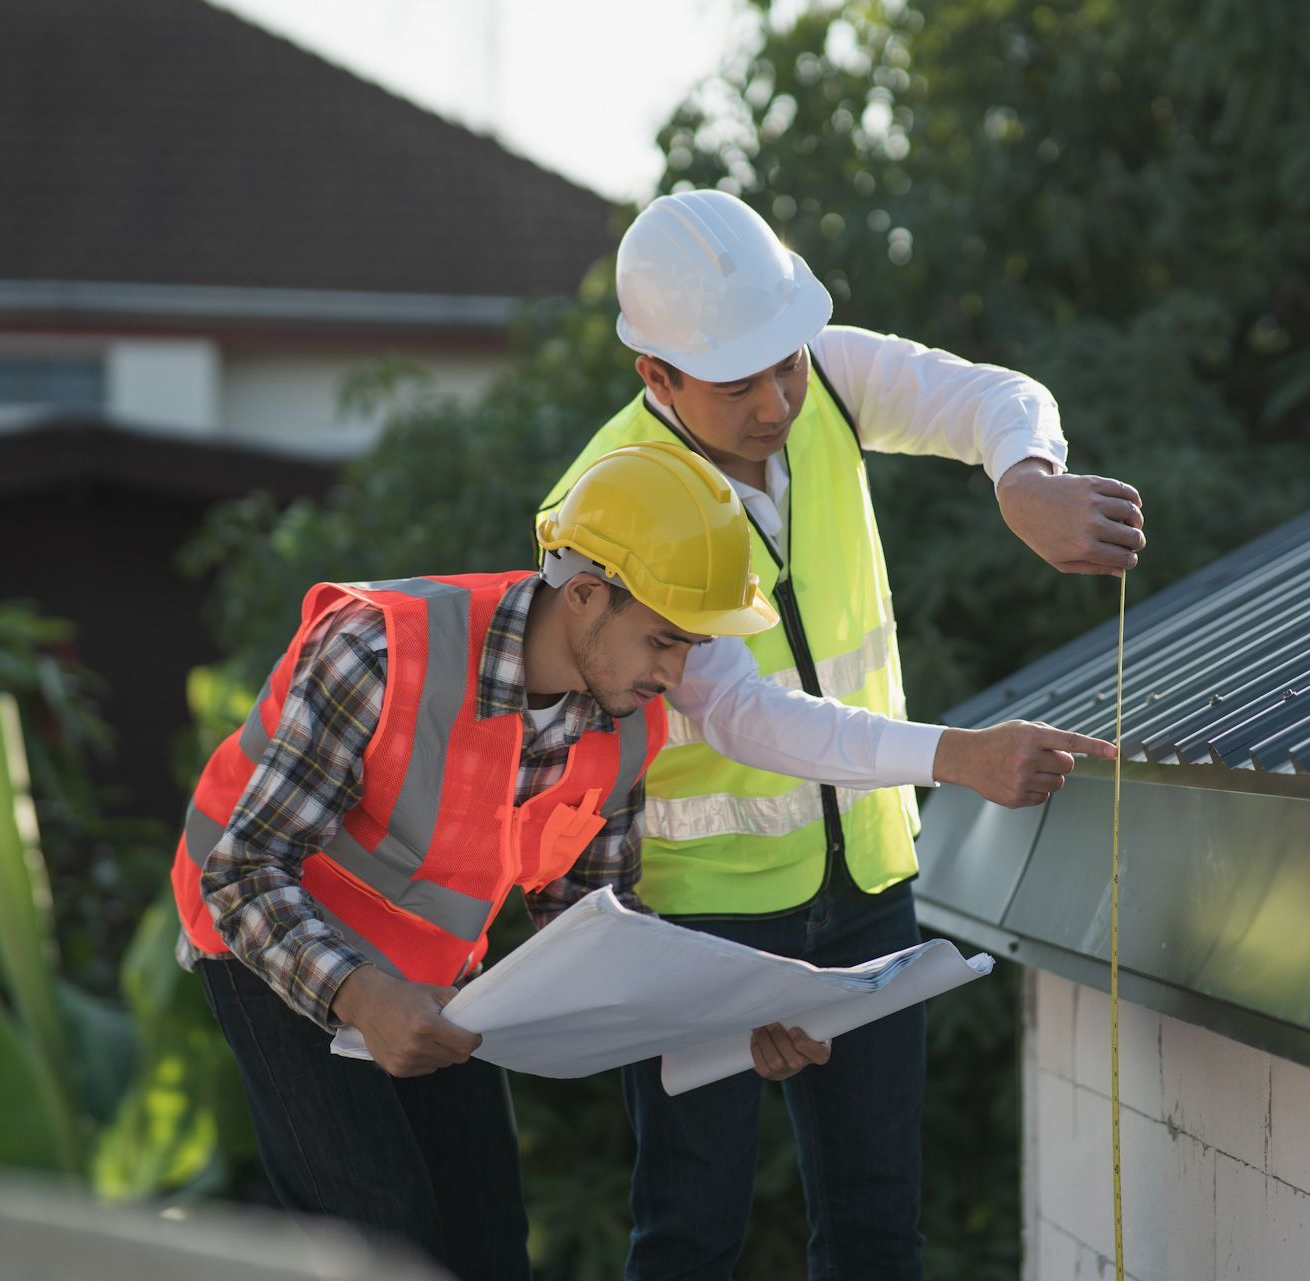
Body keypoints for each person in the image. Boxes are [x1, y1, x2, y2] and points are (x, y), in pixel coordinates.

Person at [173, 443, 1112, 1281]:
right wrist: (362, 995)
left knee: (490, 1247)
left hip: (429, 976)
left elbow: (598, 943)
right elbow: (243, 868)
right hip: (271, 943)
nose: (674, 674)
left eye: (690, 646)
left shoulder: (626, 726)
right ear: (585, 594)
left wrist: (731, 1032)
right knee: (377, 1239)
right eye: (663, 638)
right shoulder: (379, 653)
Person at [538, 188, 1147, 1281]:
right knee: (689, 1232)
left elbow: (992, 396)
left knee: (876, 1228)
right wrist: (954, 757)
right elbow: (740, 712)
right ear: (657, 379)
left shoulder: (820, 376)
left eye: (786, 365)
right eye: (740, 385)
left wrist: (1025, 478)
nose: (779, 401)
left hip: (866, 886)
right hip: (700, 915)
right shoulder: (612, 502)